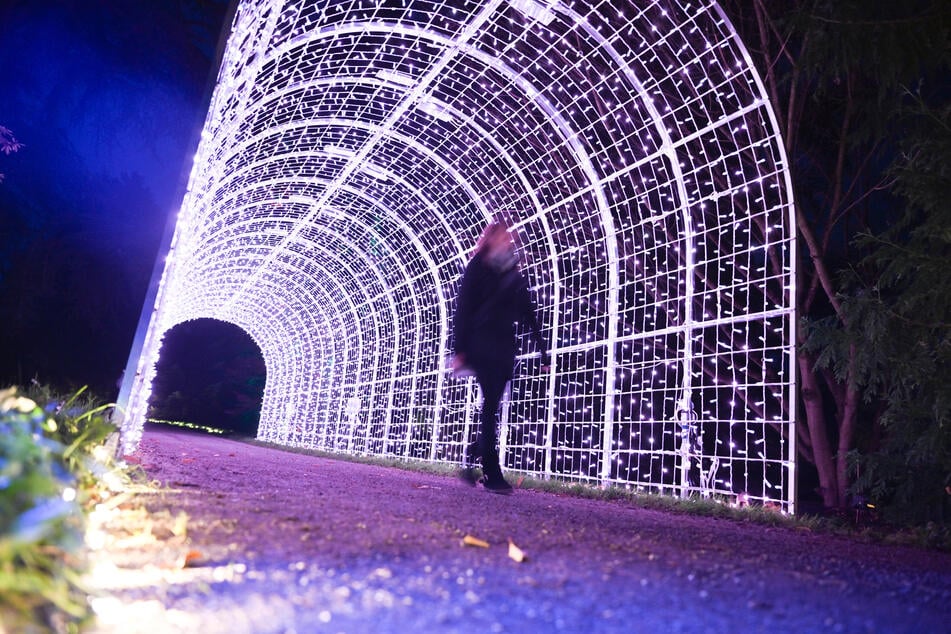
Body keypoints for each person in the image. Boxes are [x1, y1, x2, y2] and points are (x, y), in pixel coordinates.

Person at [452, 221, 548, 494]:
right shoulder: (478, 266)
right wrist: (459, 349)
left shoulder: (512, 271)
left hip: (505, 347)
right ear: (491, 238)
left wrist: (543, 350)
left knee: (491, 408)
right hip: (483, 345)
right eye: (504, 236)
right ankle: (492, 474)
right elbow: (464, 308)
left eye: (510, 237)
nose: (509, 241)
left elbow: (528, 312)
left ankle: (472, 458)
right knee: (491, 407)